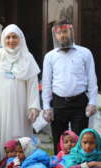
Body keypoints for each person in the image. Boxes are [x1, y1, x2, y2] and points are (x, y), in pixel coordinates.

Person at [42, 19, 98, 154]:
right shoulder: (50, 56)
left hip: (79, 102)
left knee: (80, 140)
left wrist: (92, 102)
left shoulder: (85, 53)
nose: (62, 35)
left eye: (65, 31)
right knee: (59, 140)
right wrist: (46, 107)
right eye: (59, 32)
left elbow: (92, 79)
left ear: (71, 31)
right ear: (54, 35)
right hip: (59, 102)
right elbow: (46, 83)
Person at [0, 24, 41, 158]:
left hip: (20, 105)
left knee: (19, 132)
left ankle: (21, 162)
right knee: (0, 131)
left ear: (20, 39)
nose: (11, 40)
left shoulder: (27, 57)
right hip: (0, 103)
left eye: (14, 37)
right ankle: (1, 161)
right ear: (3, 39)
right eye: (8, 37)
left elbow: (32, 84)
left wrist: (33, 106)